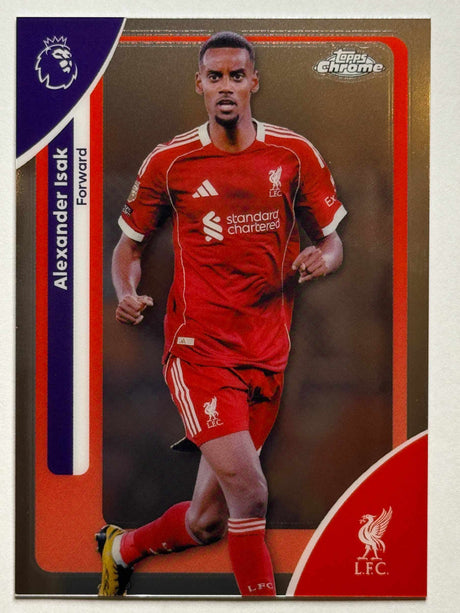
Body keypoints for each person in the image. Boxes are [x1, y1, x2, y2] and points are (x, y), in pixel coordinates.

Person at [97, 30, 346, 598]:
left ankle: (120, 549)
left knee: (208, 521)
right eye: (215, 77)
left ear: (254, 81)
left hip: (268, 353)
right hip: (201, 354)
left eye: (237, 76)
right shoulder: (171, 161)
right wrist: (125, 291)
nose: (226, 86)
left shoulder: (293, 154)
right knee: (251, 496)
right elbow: (129, 247)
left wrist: (324, 259)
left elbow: (332, 240)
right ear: (200, 85)